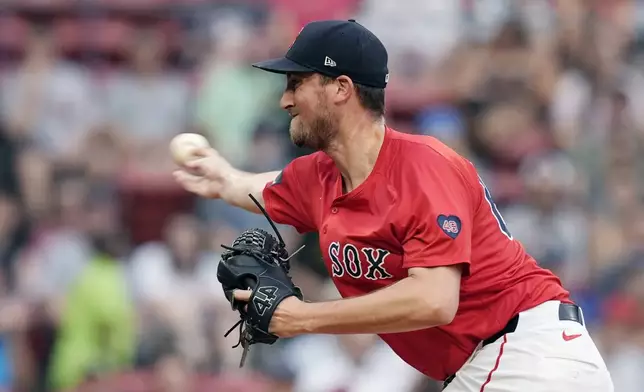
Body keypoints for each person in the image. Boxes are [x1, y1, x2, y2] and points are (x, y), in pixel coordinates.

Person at [174, 19, 614, 391]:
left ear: (341, 89)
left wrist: (301, 318)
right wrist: (220, 177)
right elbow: (259, 187)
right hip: (483, 368)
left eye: (296, 83)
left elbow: (433, 300)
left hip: (531, 356)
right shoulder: (319, 177)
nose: (285, 100)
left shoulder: (423, 167)